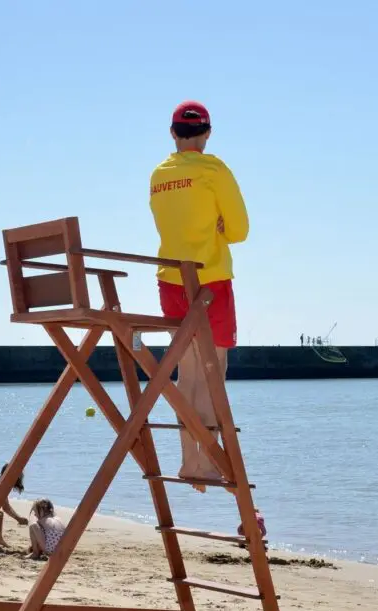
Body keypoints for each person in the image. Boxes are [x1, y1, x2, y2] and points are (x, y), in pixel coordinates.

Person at [148, 100, 248, 491]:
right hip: (210, 284)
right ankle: (207, 463)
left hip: (171, 281)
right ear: (207, 133)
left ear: (173, 133)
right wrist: (219, 225)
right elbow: (239, 230)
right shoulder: (213, 169)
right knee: (212, 374)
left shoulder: (159, 174)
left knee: (186, 375)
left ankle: (190, 462)